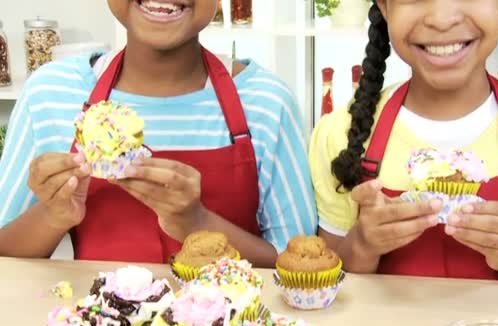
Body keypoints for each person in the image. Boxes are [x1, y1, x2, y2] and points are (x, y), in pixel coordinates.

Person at [309, 0, 498, 285]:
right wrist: (362, 245)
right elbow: (322, 291)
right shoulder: (340, 135)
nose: (441, 18)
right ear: (385, 6)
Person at [0, 0, 317, 267]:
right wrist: (53, 215)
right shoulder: (50, 94)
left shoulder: (267, 103)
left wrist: (197, 222)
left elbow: (297, 266)